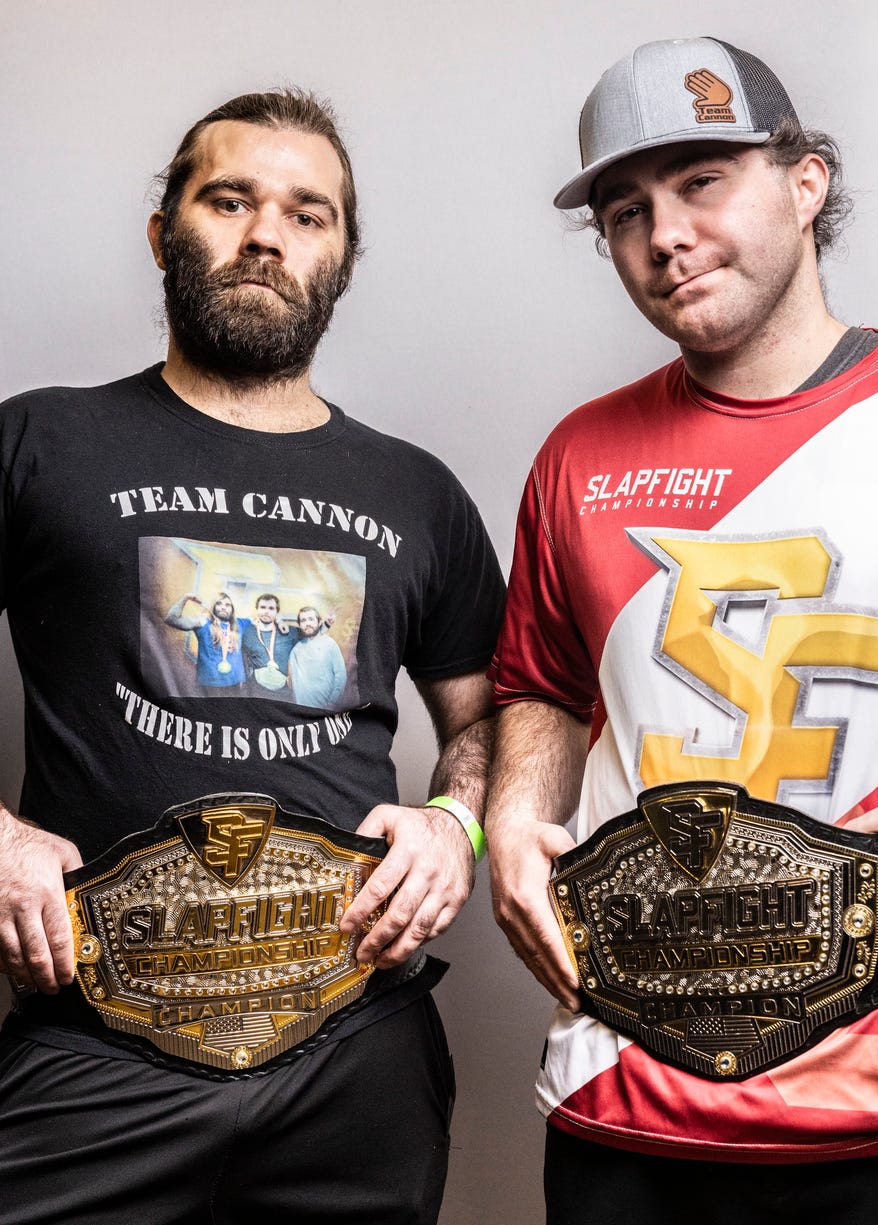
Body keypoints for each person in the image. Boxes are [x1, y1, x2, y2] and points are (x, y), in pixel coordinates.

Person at [484, 36, 878, 1225]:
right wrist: (510, 822)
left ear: (805, 182)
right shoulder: (576, 456)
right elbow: (543, 684)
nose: (663, 235)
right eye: (624, 211)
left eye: (701, 183)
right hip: (627, 1091)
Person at [0, 88, 505, 1224]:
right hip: (97, 1038)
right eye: (229, 199)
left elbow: (485, 720)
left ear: (340, 258)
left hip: (357, 1045)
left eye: (307, 213)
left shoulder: (416, 491)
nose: (266, 234)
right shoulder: (38, 440)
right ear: (165, 229)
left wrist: (454, 826)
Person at [163, 591, 249, 692]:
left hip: (235, 686)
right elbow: (171, 619)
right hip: (208, 687)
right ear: (213, 606)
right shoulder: (203, 622)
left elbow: (267, 621)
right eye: (219, 604)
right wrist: (185, 598)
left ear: (232, 609)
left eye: (227, 605)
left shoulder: (241, 623)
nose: (223, 607)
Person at [288, 605, 348, 709]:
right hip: (303, 711)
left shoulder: (330, 644)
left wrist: (331, 704)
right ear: (299, 625)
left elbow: (341, 677)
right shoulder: (296, 651)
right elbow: (293, 682)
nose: (307, 623)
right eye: (303, 620)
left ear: (319, 621)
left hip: (327, 709)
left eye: (311, 619)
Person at [241, 591, 299, 693]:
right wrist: (250, 674)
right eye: (263, 607)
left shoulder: (290, 631)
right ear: (257, 609)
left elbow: (312, 636)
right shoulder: (247, 631)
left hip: (283, 693)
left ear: (277, 612)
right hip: (257, 691)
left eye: (271, 608)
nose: (266, 611)